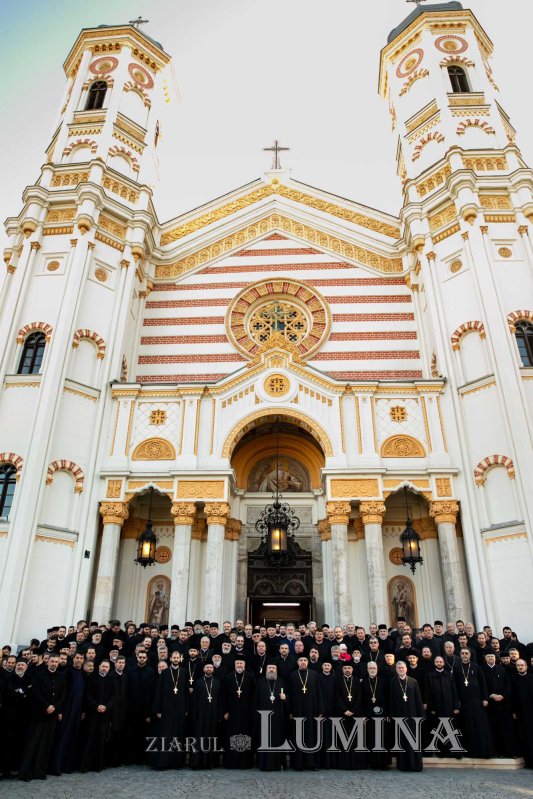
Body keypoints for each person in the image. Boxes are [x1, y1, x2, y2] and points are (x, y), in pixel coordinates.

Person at [18, 653, 66, 781]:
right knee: (33, 743)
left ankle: (39, 771)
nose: (54, 664)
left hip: (52, 716)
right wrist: (46, 706)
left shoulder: (61, 676)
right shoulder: (40, 675)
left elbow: (62, 694)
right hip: (39, 714)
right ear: (48, 662)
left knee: (45, 745)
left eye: (56, 662)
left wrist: (55, 707)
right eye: (52, 661)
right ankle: (26, 772)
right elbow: (35, 692)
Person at [150, 650, 189, 769]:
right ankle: (163, 762)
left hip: (180, 709)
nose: (176, 659)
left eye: (178, 658)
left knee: (178, 735)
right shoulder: (165, 672)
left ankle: (177, 763)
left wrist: (187, 708)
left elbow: (186, 692)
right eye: (174, 657)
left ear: (180, 659)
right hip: (166, 709)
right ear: (170, 659)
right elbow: (159, 692)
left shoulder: (184, 672)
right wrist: (158, 710)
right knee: (166, 735)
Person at [49, 651, 86, 774]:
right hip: (66, 710)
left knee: (72, 737)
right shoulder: (67, 673)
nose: (79, 660)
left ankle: (68, 766)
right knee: (62, 737)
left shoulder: (83, 673)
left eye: (81, 658)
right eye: (77, 658)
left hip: (77, 710)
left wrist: (82, 710)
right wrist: (60, 711)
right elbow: (62, 693)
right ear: (73, 659)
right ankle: (56, 766)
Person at [453, 647, 493, 758]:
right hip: (464, 702)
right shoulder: (456, 668)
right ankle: (471, 752)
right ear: (460, 655)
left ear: (470, 655)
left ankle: (483, 751)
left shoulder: (476, 667)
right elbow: (454, 686)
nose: (465, 655)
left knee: (480, 726)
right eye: (463, 653)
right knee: (468, 726)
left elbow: (483, 683)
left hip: (477, 701)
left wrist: (485, 698)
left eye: (466, 653)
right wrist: (457, 701)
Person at [288, 656, 325, 770]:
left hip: (312, 710)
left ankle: (312, 763)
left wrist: (320, 710)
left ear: (308, 662)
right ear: (297, 662)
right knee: (298, 735)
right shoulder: (292, 675)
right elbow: (290, 694)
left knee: (311, 736)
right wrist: (290, 710)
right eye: (301, 660)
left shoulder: (314, 674)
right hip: (297, 711)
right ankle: (298, 764)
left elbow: (319, 692)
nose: (303, 662)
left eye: (305, 660)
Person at [389, 661, 425, 772]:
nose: (401, 669)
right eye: (399, 668)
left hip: (412, 715)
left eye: (402, 668)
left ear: (406, 669)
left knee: (414, 739)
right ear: (396, 669)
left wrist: (421, 715)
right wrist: (392, 715)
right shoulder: (392, 682)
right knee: (402, 740)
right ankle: (403, 765)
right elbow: (391, 700)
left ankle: (415, 765)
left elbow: (418, 699)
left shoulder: (413, 681)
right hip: (399, 715)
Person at [79, 659, 115, 772]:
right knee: (89, 739)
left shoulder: (112, 680)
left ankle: (98, 766)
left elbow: (114, 697)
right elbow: (88, 695)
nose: (104, 668)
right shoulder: (92, 678)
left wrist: (106, 707)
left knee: (101, 740)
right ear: (99, 667)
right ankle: (85, 765)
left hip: (105, 715)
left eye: (106, 667)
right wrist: (96, 706)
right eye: (103, 666)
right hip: (92, 714)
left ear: (109, 669)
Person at [481, 652, 518, 757]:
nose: (490, 658)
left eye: (492, 656)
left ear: (495, 658)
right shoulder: (481, 670)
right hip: (490, 706)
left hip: (503, 705)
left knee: (506, 729)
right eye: (488, 656)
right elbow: (482, 686)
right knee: (494, 729)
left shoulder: (502, 670)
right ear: (485, 658)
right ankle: (497, 752)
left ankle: (509, 751)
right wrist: (491, 695)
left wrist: (503, 695)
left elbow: (507, 685)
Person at [222, 656, 256, 768]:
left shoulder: (250, 677)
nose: (239, 665)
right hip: (232, 713)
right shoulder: (229, 677)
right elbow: (224, 695)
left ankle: (244, 763)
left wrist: (252, 711)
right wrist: (225, 711)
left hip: (246, 713)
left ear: (244, 665)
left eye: (241, 663)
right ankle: (231, 762)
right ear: (235, 664)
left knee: (245, 736)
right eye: (238, 663)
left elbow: (254, 696)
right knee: (232, 735)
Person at [424, 655, 460, 756]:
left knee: (450, 728)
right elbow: (427, 692)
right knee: (438, 728)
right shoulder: (430, 676)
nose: (439, 663)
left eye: (440, 662)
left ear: (443, 663)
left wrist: (456, 706)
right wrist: (431, 707)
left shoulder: (449, 675)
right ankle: (440, 752)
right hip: (436, 707)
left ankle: (451, 752)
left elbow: (454, 691)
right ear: (434, 663)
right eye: (437, 662)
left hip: (449, 706)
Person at [125, 648, 156, 765]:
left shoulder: (151, 671)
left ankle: (143, 758)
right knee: (132, 734)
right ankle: (131, 757)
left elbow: (151, 692)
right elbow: (128, 690)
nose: (142, 659)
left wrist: (149, 712)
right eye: (140, 657)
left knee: (144, 734)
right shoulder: (130, 671)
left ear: (146, 659)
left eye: (144, 657)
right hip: (132, 708)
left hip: (145, 708)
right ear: (137, 658)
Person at [255, 664, 288, 771]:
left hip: (278, 717)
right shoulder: (260, 682)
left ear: (276, 670)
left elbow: (289, 697)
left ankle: (277, 764)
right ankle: (263, 764)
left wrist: (285, 698)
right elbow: (256, 699)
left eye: (273, 668)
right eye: (269, 668)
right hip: (263, 716)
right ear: (266, 670)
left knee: (277, 740)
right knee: (264, 739)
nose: (271, 670)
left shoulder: (281, 682)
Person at [334, 662, 366, 769]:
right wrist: (345, 710)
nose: (347, 670)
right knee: (342, 739)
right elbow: (337, 697)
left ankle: (355, 764)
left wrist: (353, 710)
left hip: (355, 715)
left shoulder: (357, 681)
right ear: (342, 669)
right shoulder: (338, 681)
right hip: (342, 714)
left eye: (349, 668)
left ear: (352, 669)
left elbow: (360, 697)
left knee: (355, 740)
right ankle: (343, 764)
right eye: (345, 668)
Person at [190, 663, 222, 769]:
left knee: (212, 738)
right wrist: (194, 715)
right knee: (199, 738)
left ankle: (210, 763)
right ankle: (198, 763)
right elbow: (194, 700)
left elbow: (220, 700)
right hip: (201, 716)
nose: (209, 669)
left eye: (210, 667)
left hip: (213, 715)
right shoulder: (198, 682)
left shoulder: (217, 682)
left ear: (213, 669)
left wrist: (219, 715)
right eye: (207, 667)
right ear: (204, 669)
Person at [361, 661, 391, 770]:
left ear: (377, 669)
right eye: (370, 668)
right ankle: (373, 763)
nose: (372, 670)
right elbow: (361, 700)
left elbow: (388, 698)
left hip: (382, 713)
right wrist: (363, 715)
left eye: (374, 668)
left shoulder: (383, 681)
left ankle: (384, 763)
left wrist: (387, 713)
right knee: (371, 738)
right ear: (367, 669)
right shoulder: (363, 682)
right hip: (369, 713)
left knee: (383, 738)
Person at [511, 659, 533, 768]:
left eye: (522, 665)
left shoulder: (532, 678)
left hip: (531, 712)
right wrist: (514, 711)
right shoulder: (513, 679)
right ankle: (528, 762)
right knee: (524, 737)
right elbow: (512, 697)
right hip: (520, 714)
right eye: (518, 665)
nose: (520, 667)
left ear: (526, 666)